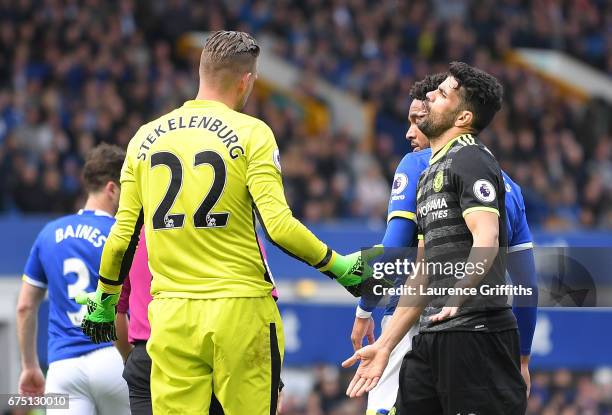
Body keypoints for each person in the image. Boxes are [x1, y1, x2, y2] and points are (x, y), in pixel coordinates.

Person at [78, 31, 368, 414]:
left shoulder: (142, 140)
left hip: (171, 317)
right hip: (241, 312)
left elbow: (122, 238)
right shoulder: (253, 133)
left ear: (201, 73)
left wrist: (105, 298)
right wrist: (338, 265)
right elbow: (278, 227)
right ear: (246, 80)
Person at [344, 62, 528, 415]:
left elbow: (486, 236)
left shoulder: (471, 158)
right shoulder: (429, 173)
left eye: (442, 94)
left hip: (477, 334)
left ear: (462, 119)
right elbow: (424, 273)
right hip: (433, 335)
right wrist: (385, 344)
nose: (429, 95)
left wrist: (459, 295)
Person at [114, 230, 283, 415]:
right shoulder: (236, 227)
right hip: (214, 352)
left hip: (149, 355)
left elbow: (116, 310)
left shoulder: (134, 234)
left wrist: (130, 357)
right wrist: (274, 378)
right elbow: (260, 308)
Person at [16, 143, 130, 415]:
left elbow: (24, 307)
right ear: (112, 189)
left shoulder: (48, 234)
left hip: (63, 368)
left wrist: (30, 366)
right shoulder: (123, 235)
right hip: (113, 358)